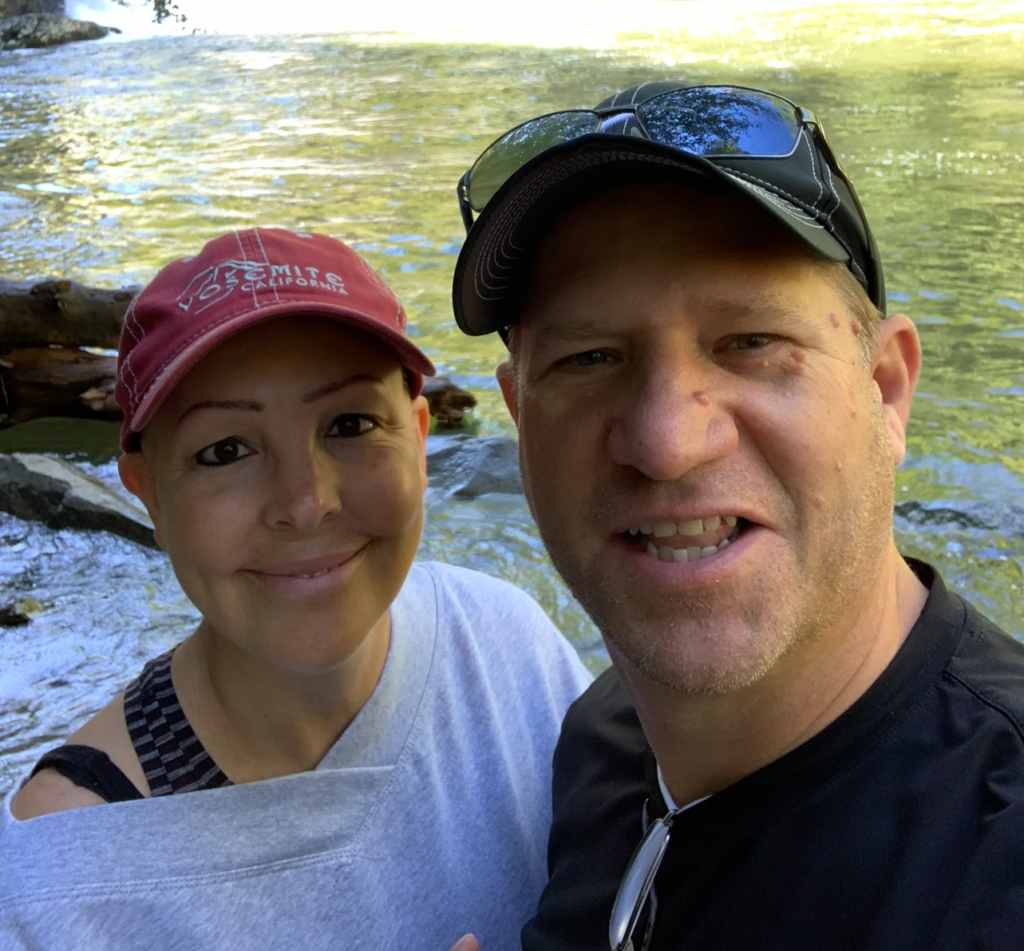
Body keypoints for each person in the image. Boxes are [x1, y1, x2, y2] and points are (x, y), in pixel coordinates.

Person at [450, 83, 1024, 950]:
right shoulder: (607, 736)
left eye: (750, 342)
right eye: (590, 358)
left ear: (887, 391)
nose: (667, 441)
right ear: (521, 415)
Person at [0, 228, 592, 950]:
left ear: (419, 436)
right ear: (148, 495)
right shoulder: (54, 890)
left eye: (350, 424)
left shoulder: (508, 644)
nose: (306, 502)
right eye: (225, 450)